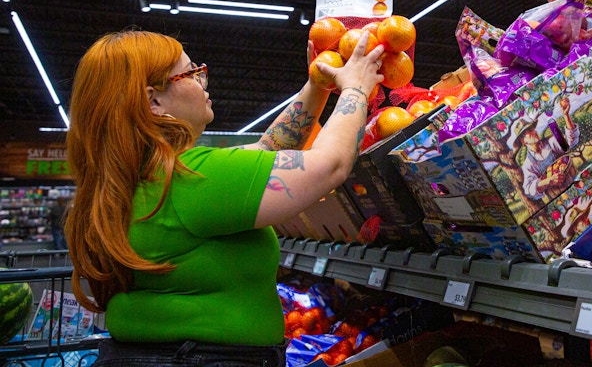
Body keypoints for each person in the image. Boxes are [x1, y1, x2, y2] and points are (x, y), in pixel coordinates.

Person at [63, 27, 384, 366]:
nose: (204, 80)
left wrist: (318, 85)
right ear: (152, 101)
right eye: (190, 73)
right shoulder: (192, 178)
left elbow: (268, 149)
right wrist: (356, 89)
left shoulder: (136, 179)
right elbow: (330, 164)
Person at [513, 96, 579, 200]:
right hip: (560, 197)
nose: (534, 131)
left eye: (533, 129)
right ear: (523, 141)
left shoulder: (550, 142)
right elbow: (528, 189)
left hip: (576, 181)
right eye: (529, 132)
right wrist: (549, 180)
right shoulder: (528, 164)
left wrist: (566, 116)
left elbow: (571, 141)